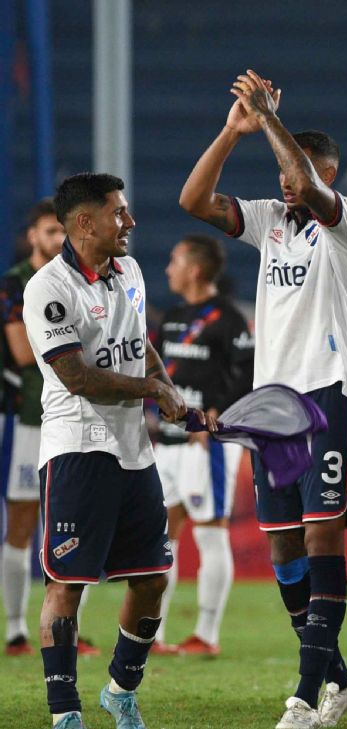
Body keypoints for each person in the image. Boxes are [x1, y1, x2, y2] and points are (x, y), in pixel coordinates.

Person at [179, 70, 347, 729]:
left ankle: (304, 692)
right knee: (285, 552)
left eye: (302, 176)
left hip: (324, 395)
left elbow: (311, 188)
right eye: (287, 175)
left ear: (327, 176)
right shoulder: (269, 223)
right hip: (271, 404)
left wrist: (270, 122)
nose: (288, 183)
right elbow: (194, 198)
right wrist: (235, 131)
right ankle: (337, 677)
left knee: (321, 536)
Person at [26, 172, 190, 729]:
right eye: (120, 213)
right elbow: (74, 376)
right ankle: (64, 712)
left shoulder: (132, 271)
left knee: (152, 580)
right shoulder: (48, 288)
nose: (131, 222)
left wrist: (169, 391)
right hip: (77, 447)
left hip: (133, 451)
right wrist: (152, 390)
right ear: (85, 223)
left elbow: (138, 345)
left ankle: (120, 689)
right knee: (67, 584)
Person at [2, 200, 103, 659]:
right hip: (27, 418)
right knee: (22, 522)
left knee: (73, 526)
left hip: (75, 419)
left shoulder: (83, 276)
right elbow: (25, 355)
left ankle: (69, 631)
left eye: (59, 231)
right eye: (47, 231)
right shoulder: (14, 284)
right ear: (32, 236)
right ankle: (16, 630)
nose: (56, 239)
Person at [150, 233, 254, 656]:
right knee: (161, 537)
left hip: (206, 445)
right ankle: (152, 634)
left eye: (174, 260)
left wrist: (214, 419)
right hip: (168, 443)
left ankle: (206, 635)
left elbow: (246, 378)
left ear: (194, 269)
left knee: (211, 534)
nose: (168, 269)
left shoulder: (228, 320)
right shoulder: (173, 316)